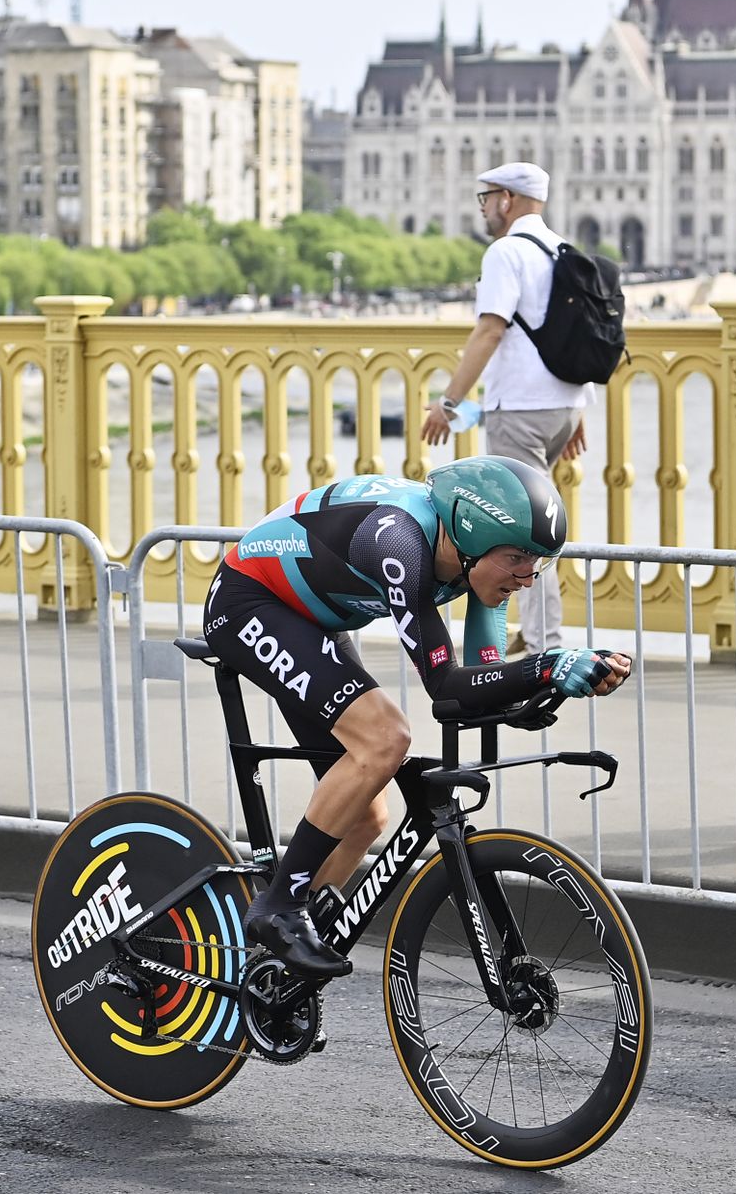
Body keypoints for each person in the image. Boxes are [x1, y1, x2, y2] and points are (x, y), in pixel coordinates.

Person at [205, 456, 631, 976]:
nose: (527, 576)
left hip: (313, 617)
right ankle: (279, 909)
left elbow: (480, 683)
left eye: (538, 560)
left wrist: (546, 691)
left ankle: (265, 973)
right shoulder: (400, 543)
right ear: (472, 539)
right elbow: (445, 683)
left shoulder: (479, 565)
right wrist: (546, 666)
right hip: (250, 600)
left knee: (367, 814)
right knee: (386, 738)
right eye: (517, 557)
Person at [421, 162, 589, 654]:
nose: (484, 208)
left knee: (523, 532)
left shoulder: (506, 252)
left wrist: (449, 403)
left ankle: (543, 644)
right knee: (540, 520)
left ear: (507, 200)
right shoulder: (563, 249)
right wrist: (580, 408)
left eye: (486, 198)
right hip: (562, 406)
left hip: (519, 407)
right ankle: (536, 633)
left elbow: (490, 330)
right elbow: (579, 333)